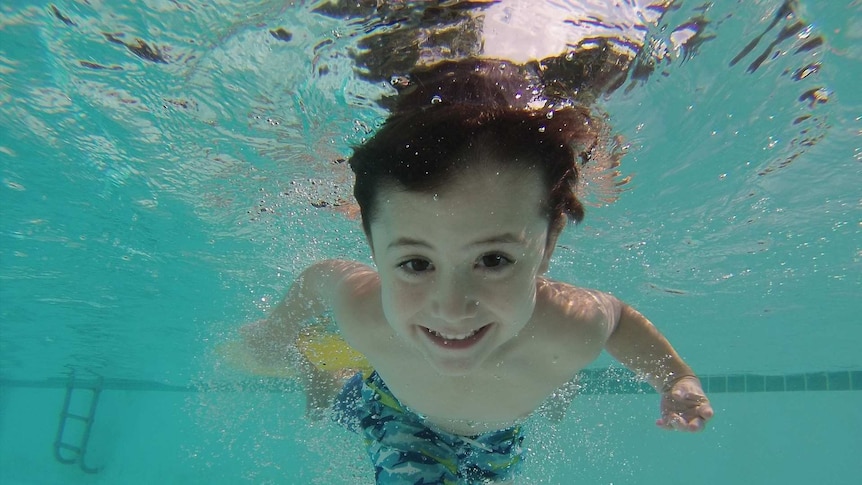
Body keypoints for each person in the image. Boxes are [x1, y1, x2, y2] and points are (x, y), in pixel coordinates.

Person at [238, 55, 714, 484]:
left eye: (493, 260)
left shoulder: (572, 323)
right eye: (416, 263)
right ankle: (326, 376)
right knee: (379, 427)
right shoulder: (364, 311)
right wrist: (277, 332)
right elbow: (319, 278)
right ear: (373, 248)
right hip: (398, 412)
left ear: (547, 246)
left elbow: (618, 320)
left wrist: (675, 379)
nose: (452, 309)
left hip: (497, 434)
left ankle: (332, 378)